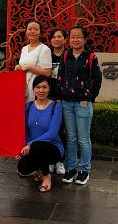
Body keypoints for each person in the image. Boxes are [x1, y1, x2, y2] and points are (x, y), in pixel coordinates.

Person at [56, 25, 102, 185]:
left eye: (79, 37)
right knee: (71, 138)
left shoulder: (91, 57)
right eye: (73, 37)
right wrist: (59, 96)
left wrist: (90, 97)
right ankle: (71, 169)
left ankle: (84, 170)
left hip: (83, 103)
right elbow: (60, 77)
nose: (75, 39)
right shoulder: (65, 55)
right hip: (67, 103)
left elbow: (97, 79)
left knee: (83, 139)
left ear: (85, 39)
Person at [16, 75, 64, 193]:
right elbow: (25, 131)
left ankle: (47, 177)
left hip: (53, 149)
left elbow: (52, 133)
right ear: (33, 89)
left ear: (49, 88)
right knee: (22, 168)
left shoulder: (56, 107)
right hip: (33, 148)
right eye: (38, 87)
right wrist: (20, 148)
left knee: (38, 145)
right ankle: (39, 171)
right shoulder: (28, 106)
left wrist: (30, 144)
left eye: (44, 87)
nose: (41, 90)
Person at [14, 19, 52, 101]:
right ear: (26, 31)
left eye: (36, 29)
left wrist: (29, 67)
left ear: (40, 33)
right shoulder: (24, 49)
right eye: (29, 29)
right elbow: (23, 68)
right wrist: (18, 68)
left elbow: (47, 73)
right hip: (22, 87)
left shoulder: (44, 49)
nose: (32, 31)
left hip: (35, 89)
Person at [48, 28, 68, 175]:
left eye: (59, 36)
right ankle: (50, 160)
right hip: (48, 98)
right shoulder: (46, 55)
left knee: (61, 130)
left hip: (64, 98)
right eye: (54, 37)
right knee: (49, 130)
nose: (56, 39)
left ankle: (60, 160)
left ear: (64, 39)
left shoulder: (69, 55)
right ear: (50, 40)